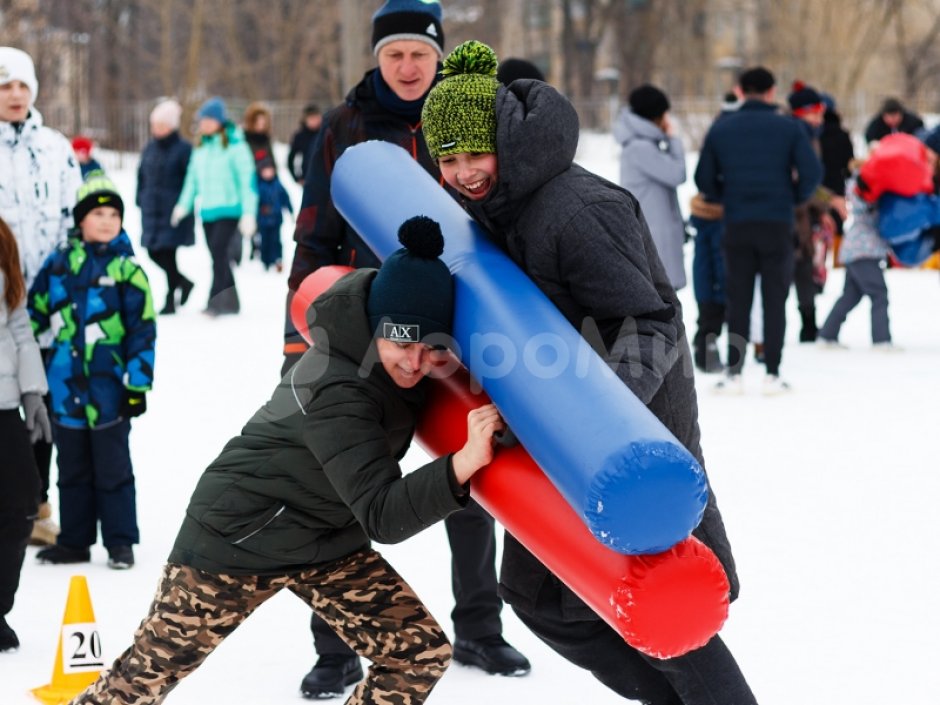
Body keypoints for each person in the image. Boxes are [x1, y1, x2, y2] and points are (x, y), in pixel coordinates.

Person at [421, 39, 756, 705]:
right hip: (553, 427)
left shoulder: (576, 208)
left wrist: (585, 416)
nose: (462, 172)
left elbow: (652, 323)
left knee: (668, 595)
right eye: (448, 159)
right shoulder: (497, 207)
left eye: (474, 153)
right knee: (533, 588)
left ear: (507, 143)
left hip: (631, 424)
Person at [66, 216, 505, 705]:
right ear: (376, 327)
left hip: (323, 537)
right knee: (144, 677)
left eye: (430, 349)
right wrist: (462, 461)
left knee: (416, 653)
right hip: (239, 535)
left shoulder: (383, 354)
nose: (415, 363)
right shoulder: (340, 389)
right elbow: (383, 515)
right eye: (402, 344)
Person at [285, 2, 528, 696]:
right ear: (377, 59)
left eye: (418, 53)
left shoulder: (463, 117)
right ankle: (335, 648)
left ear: (437, 54)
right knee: (339, 489)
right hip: (367, 339)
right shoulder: (344, 127)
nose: (407, 65)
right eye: (393, 54)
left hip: (457, 337)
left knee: (472, 479)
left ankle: (480, 627)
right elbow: (313, 238)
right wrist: (301, 341)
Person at [28, 174, 156, 570]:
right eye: (97, 212)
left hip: (109, 391)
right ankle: (75, 541)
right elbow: (33, 314)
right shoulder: (59, 264)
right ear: (80, 219)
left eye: (114, 213)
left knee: (113, 469)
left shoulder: (127, 270)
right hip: (64, 389)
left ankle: (120, 542)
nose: (106, 220)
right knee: (72, 469)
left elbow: (143, 330)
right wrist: (33, 370)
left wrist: (137, 383)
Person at [695, 66, 822, 394]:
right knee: (774, 297)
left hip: (736, 222)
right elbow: (811, 172)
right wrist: (792, 198)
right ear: (770, 91)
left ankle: (734, 372)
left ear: (740, 91)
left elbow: (703, 179)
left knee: (738, 297)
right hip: (777, 222)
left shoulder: (722, 129)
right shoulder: (789, 128)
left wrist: (725, 196)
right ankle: (773, 372)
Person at [0, 46, 83, 547]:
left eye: (21, 85)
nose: (13, 94)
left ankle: (37, 504)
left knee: (42, 403)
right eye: (4, 85)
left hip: (49, 305)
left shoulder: (55, 148)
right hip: (0, 303)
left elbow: (78, 216)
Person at [0, 215, 51, 652]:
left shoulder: (3, 240)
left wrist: (33, 393)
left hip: (3, 404)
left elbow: (19, 326)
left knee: (21, 501)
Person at [171, 96, 257, 317]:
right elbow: (192, 180)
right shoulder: (200, 149)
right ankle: (232, 302)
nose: (205, 124)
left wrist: (249, 213)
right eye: (203, 120)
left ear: (220, 121)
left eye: (210, 119)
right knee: (217, 257)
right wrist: (183, 206)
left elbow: (248, 181)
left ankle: (216, 301)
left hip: (230, 210)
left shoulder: (236, 146)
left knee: (219, 253)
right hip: (207, 211)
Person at [614, 83, 687, 290]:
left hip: (656, 235)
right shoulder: (640, 148)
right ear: (655, 116)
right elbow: (677, 174)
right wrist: (673, 139)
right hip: (655, 239)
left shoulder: (643, 145)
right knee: (664, 300)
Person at [817, 175, 896, 349]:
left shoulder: (860, 186)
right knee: (879, 294)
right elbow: (866, 209)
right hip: (864, 250)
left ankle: (827, 335)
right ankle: (882, 339)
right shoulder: (864, 187)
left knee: (850, 296)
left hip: (856, 248)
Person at [136, 98, 196, 315]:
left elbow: (190, 181)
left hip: (172, 211)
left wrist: (183, 206)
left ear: (170, 126)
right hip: (151, 209)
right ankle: (184, 282)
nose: (155, 129)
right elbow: (141, 175)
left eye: (160, 125)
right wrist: (140, 199)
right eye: (154, 125)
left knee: (168, 253)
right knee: (153, 252)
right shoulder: (149, 148)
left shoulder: (183, 150)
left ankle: (170, 299)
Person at [787, 81, 834, 343]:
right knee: (790, 271)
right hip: (791, 217)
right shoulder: (796, 134)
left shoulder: (811, 135)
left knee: (805, 270)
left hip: (805, 217)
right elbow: (801, 179)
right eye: (815, 111)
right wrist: (826, 202)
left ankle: (808, 326)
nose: (820, 117)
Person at [255, 156, 293, 272]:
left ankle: (277, 260)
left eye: (270, 170)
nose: (268, 173)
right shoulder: (258, 186)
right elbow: (255, 202)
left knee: (276, 240)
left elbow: (285, 198)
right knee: (265, 241)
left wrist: (290, 211)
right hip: (263, 220)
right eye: (265, 171)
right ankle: (265, 261)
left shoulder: (278, 185)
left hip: (276, 219)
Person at [287, 103, 322, 185]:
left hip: (326, 179)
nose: (314, 120)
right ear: (305, 119)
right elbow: (291, 158)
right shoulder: (300, 136)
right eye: (311, 118)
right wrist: (297, 177)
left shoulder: (326, 134)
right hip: (308, 179)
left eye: (316, 117)